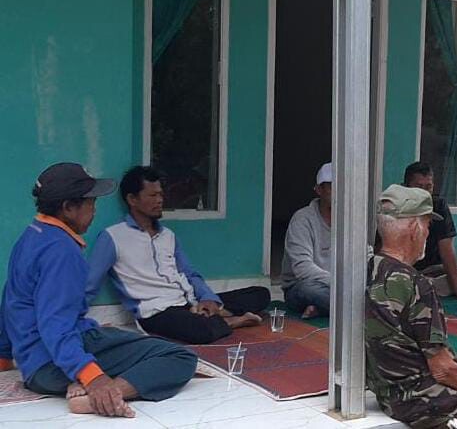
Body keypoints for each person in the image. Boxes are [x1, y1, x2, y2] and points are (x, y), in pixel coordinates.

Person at [0, 163, 197, 418]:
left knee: (114, 336)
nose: (94, 210)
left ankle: (80, 380)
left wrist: (4, 355)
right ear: (68, 208)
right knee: (178, 357)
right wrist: (93, 378)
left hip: (34, 366)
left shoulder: (32, 235)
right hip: (52, 365)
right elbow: (56, 323)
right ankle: (104, 395)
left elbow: (10, 300)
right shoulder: (62, 250)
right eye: (91, 203)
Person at [367, 185, 457, 429]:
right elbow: (442, 370)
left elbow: (424, 349)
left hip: (386, 390)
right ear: (414, 229)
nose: (428, 233)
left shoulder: (370, 268)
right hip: (418, 399)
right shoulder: (416, 284)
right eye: (427, 226)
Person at [87, 166, 270, 344]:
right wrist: (77, 319)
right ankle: (230, 320)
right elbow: (90, 284)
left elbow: (190, 274)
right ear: (132, 199)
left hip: (188, 301)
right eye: (152, 195)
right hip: (156, 312)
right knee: (201, 330)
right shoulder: (113, 237)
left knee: (260, 294)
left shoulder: (168, 235)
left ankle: (213, 314)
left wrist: (208, 299)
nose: (160, 200)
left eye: (161, 194)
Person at [405, 162, 457, 300]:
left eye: (428, 187)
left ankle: (427, 286)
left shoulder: (438, 206)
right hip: (407, 270)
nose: (424, 193)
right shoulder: (397, 208)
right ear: (406, 187)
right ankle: (423, 286)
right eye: (419, 187)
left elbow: (446, 250)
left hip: (435, 269)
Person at [280, 162, 333, 318]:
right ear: (319, 190)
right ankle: (360, 310)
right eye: (332, 186)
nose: (340, 192)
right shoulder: (303, 219)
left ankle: (323, 308)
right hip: (304, 286)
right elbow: (303, 269)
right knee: (309, 290)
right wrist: (340, 284)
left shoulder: (350, 219)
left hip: (340, 287)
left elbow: (366, 256)